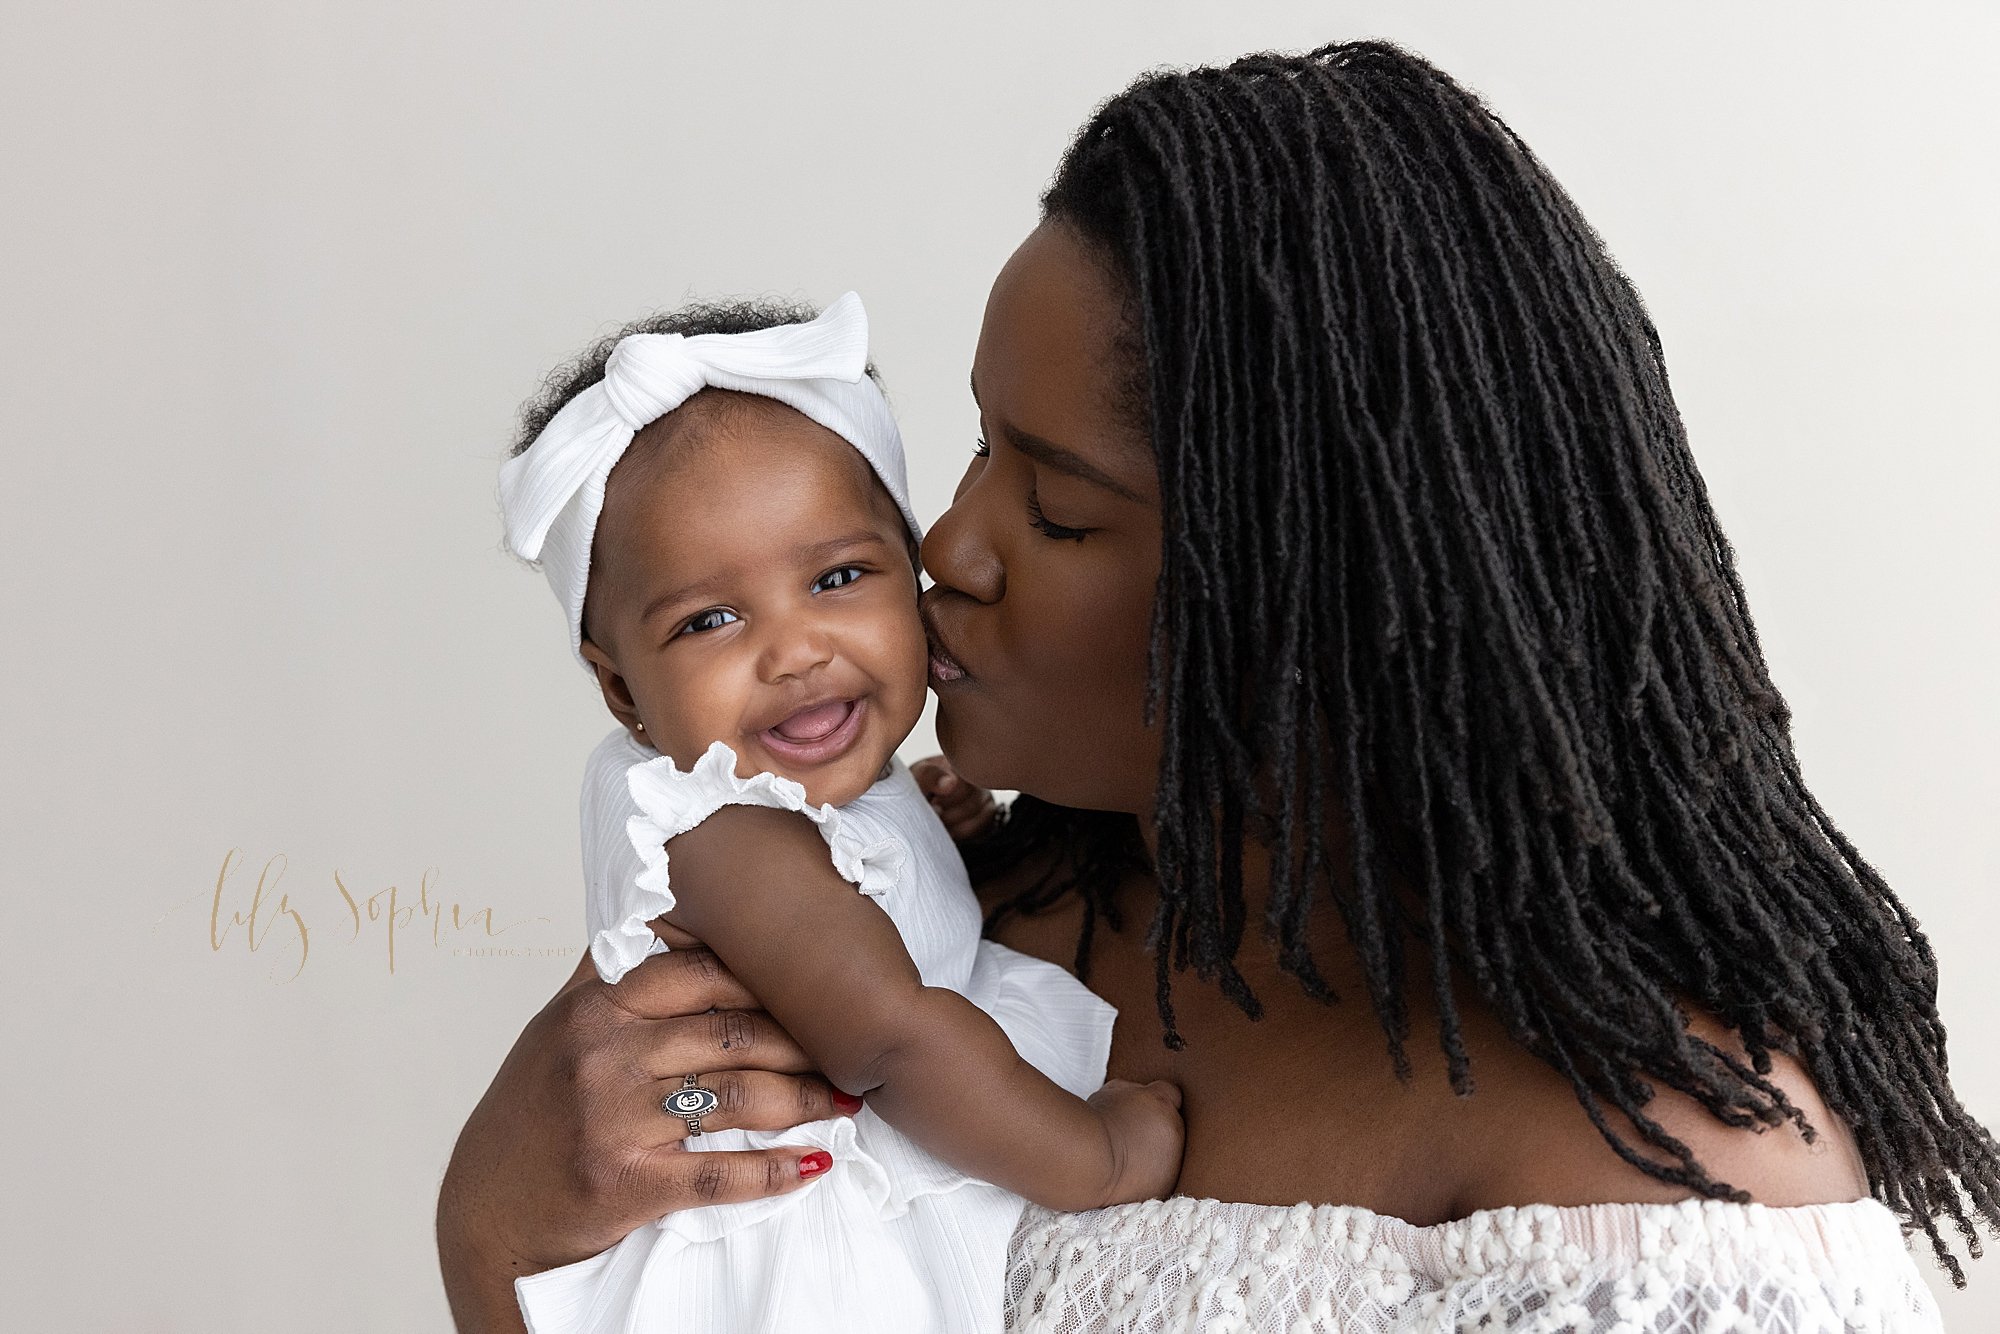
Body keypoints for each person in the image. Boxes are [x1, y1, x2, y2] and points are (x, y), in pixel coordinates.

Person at [440, 41, 1996, 1331]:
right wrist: (497, 1221)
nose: (947, 548)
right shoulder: (943, 911)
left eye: (1053, 506)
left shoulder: (1668, 1173)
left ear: (1318, 591)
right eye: (975, 445)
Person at [491, 293, 1182, 1332]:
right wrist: (1095, 1153)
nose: (794, 648)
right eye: (709, 618)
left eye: (838, 575)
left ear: (911, 572)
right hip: (808, 1259)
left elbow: (847, 912)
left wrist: (910, 841)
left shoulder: (805, 807)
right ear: (623, 692)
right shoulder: (714, 825)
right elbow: (886, 1036)